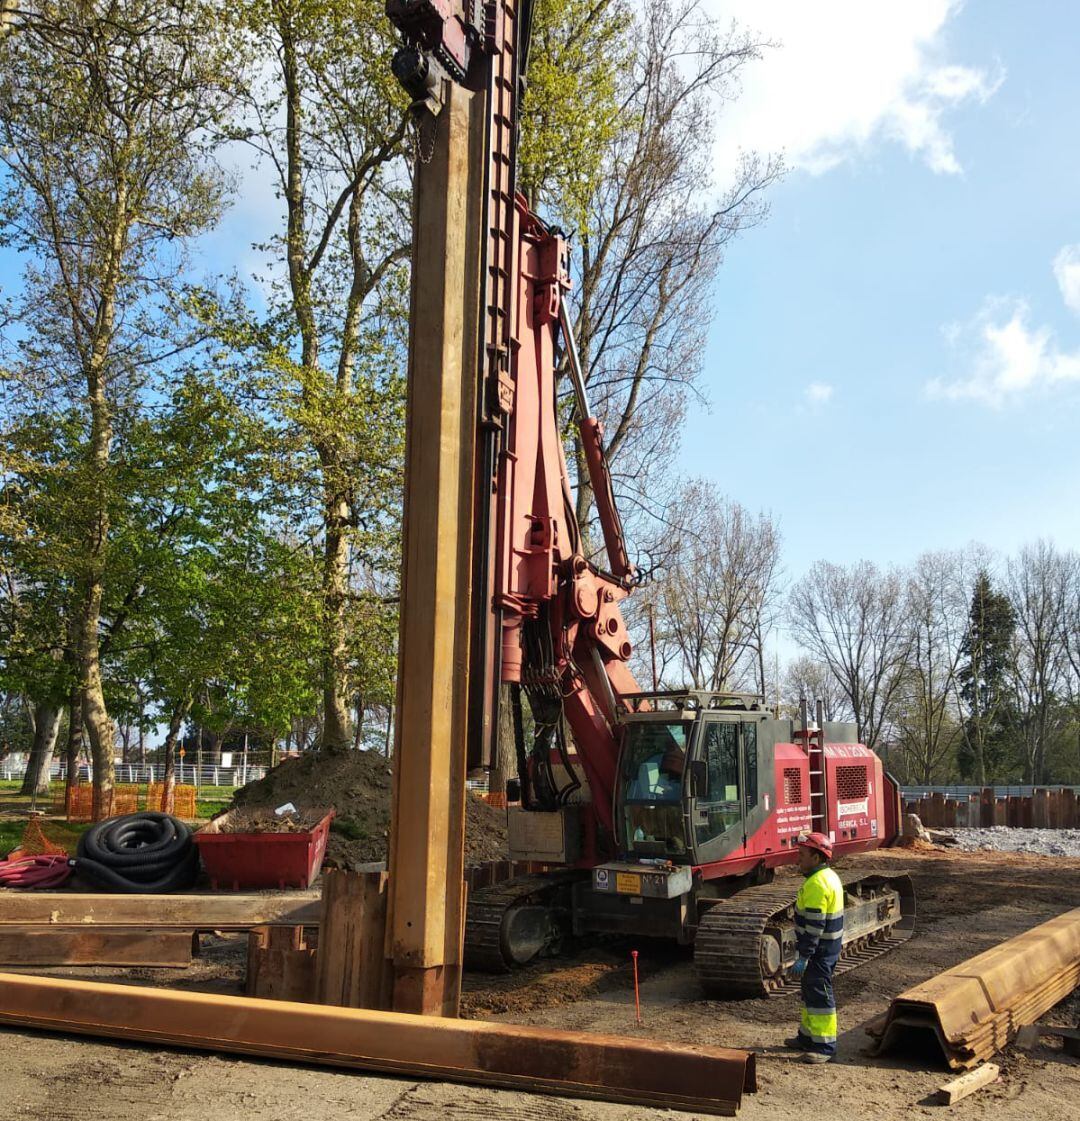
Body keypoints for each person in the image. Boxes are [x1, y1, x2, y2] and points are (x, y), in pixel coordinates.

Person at [786, 831, 844, 1064]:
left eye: (802, 854)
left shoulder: (817, 884)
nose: (797, 859)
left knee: (819, 995)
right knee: (810, 993)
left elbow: (814, 927)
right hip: (825, 948)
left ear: (817, 858)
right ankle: (807, 1037)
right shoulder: (827, 877)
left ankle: (824, 1046)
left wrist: (804, 956)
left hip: (819, 951)